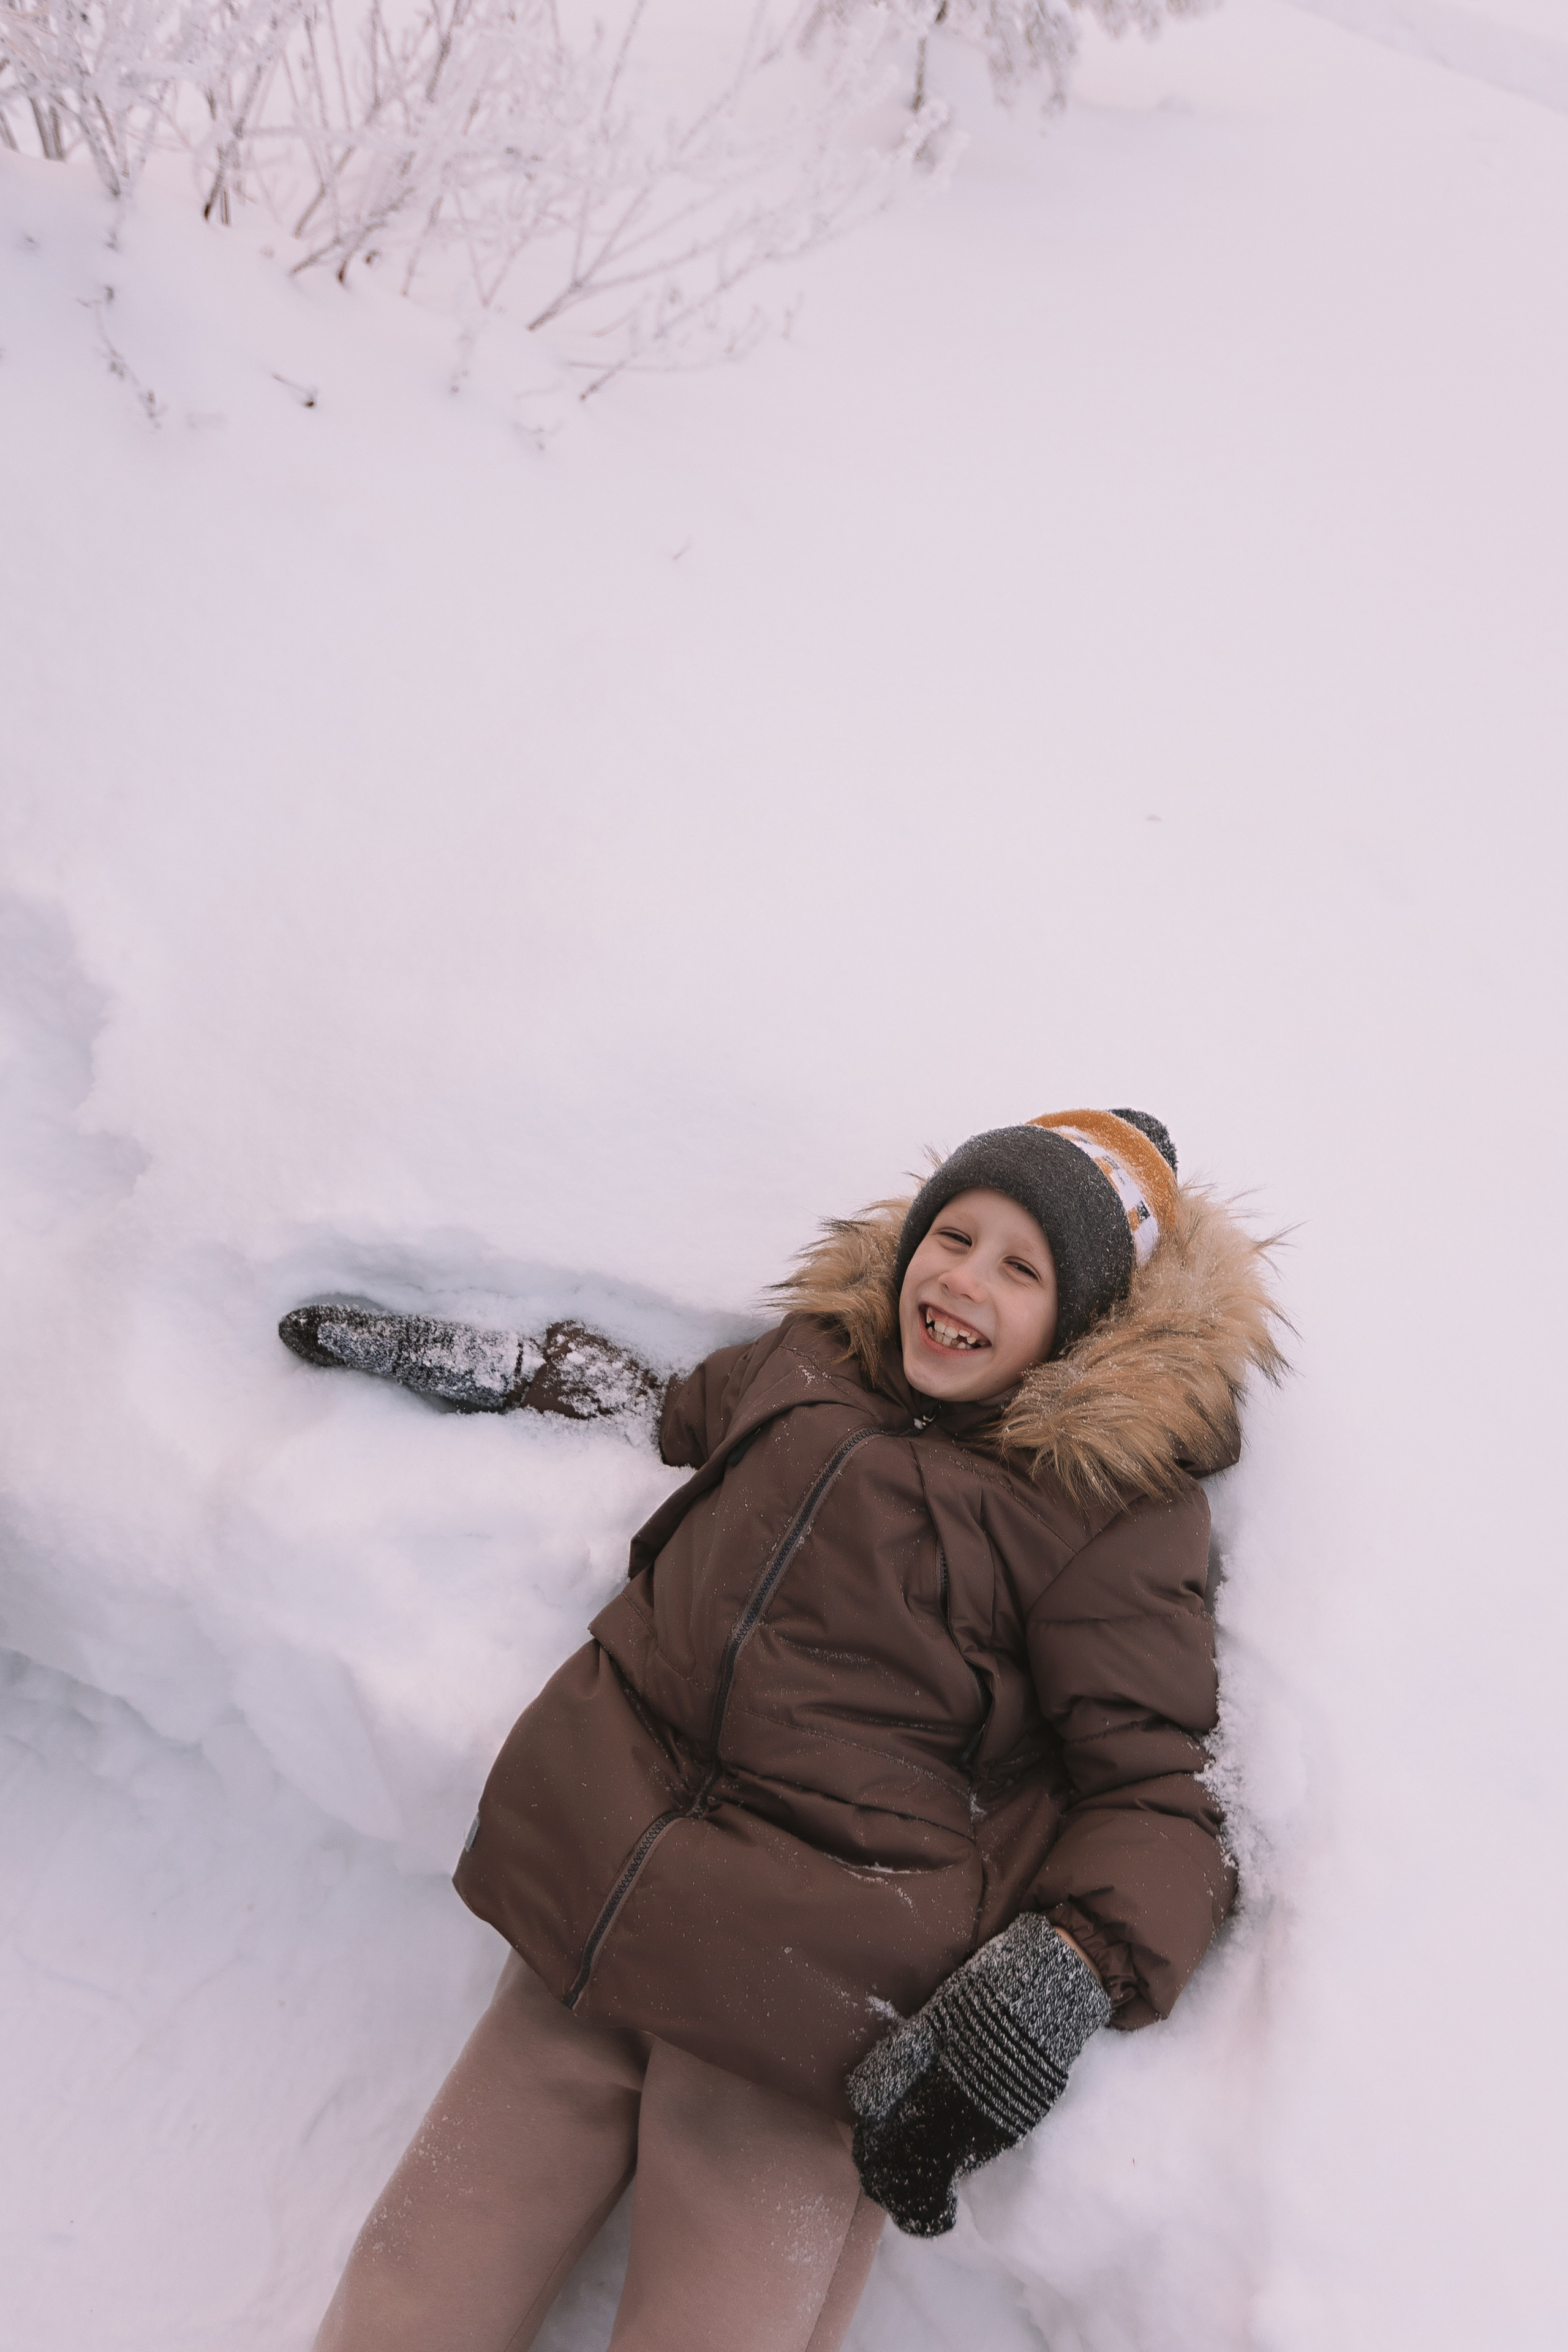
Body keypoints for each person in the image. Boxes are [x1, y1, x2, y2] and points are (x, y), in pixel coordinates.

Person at [288, 1107, 1283, 2352]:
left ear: (1081, 1323)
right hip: (591, 1898)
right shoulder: (815, 1361)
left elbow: (1159, 1789)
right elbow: (664, 1405)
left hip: (802, 2001)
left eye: (1018, 1268)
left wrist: (1062, 1976)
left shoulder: (1100, 1511)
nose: (961, 1280)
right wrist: (508, 1368)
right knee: (412, 2281)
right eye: (953, 1234)